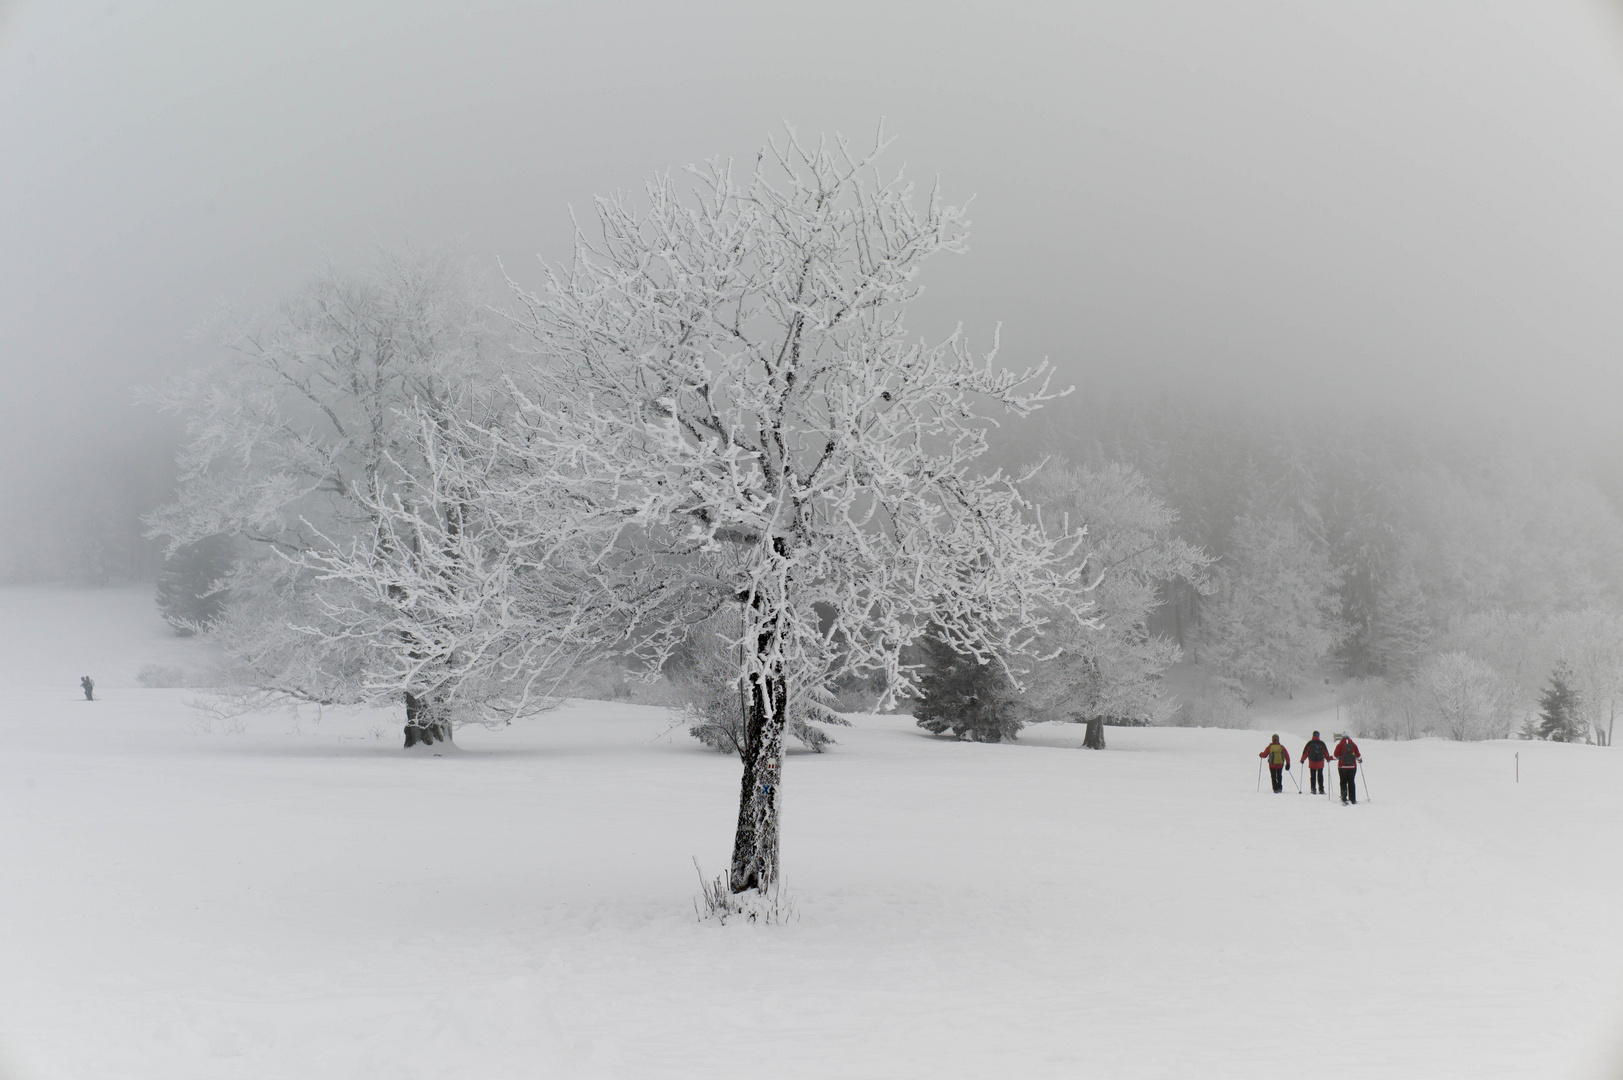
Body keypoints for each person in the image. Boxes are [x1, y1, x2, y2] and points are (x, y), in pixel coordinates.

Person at [1333, 732, 1362, 804]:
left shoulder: (1339, 745)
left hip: (1342, 767)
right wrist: (1360, 761)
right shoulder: (1354, 745)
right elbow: (1358, 756)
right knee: (1351, 782)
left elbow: (1335, 756)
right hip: (1352, 767)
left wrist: (1329, 758)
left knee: (1343, 782)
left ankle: (1344, 797)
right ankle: (1352, 799)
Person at [1300, 730, 1330, 794]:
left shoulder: (1310, 743)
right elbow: (1326, 752)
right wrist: (1327, 758)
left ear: (1313, 735)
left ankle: (1313, 789)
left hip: (1312, 762)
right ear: (1318, 736)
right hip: (1320, 763)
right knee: (1320, 776)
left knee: (1313, 776)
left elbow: (1306, 752)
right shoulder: (1322, 743)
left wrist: (1302, 760)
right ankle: (1321, 789)